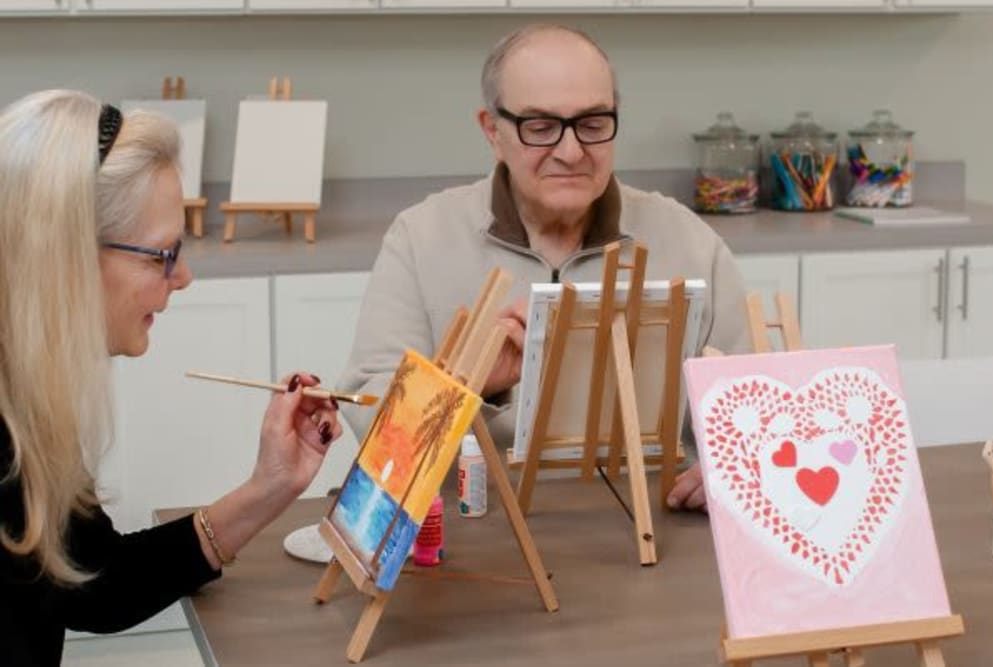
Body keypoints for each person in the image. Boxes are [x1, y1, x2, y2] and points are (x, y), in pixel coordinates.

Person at [339, 24, 750, 512]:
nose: (571, 151)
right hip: (473, 528)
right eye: (540, 127)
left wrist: (738, 463)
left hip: (651, 530)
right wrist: (464, 380)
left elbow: (760, 411)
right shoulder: (422, 237)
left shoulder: (687, 240)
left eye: (593, 123)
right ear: (493, 131)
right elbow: (371, 424)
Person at [0, 89, 342, 665]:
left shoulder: (24, 402)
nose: (182, 277)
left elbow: (92, 584)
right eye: (162, 254)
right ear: (65, 255)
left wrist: (271, 486)